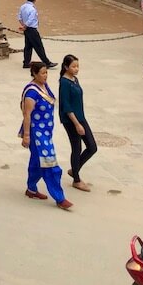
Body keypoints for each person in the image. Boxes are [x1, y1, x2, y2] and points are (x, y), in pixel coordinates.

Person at [20, 63, 72, 209]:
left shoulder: (45, 86)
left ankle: (31, 189)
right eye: (42, 73)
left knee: (36, 162)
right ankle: (59, 198)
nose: (45, 76)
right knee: (50, 164)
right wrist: (26, 136)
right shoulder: (31, 93)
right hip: (37, 134)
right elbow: (27, 115)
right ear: (35, 74)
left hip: (46, 132)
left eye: (46, 73)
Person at [58, 54, 97, 191]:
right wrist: (76, 124)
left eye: (77, 66)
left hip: (80, 117)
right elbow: (66, 105)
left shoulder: (75, 80)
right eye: (73, 66)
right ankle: (76, 179)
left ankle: (75, 168)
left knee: (92, 146)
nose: (76, 69)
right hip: (71, 119)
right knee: (76, 147)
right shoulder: (64, 83)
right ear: (66, 67)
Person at [18, 0, 56, 70]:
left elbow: (19, 18)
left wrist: (23, 26)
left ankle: (26, 62)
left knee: (28, 46)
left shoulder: (22, 7)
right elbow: (30, 20)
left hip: (26, 30)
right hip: (32, 29)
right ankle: (47, 62)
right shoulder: (32, 9)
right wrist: (25, 26)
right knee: (39, 46)